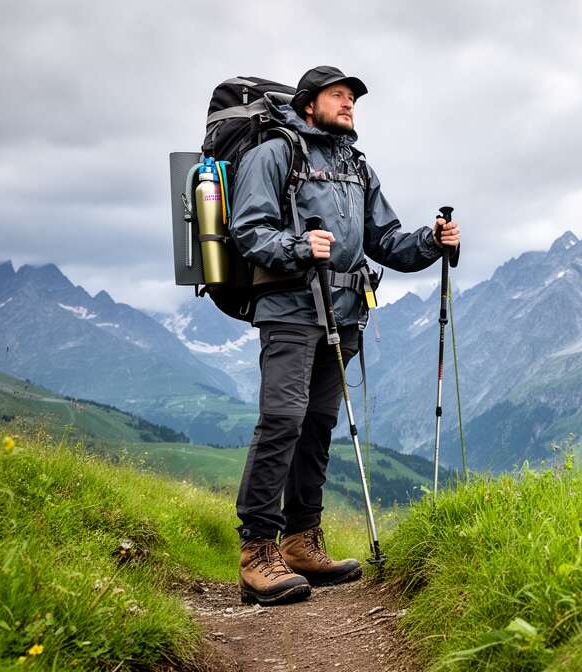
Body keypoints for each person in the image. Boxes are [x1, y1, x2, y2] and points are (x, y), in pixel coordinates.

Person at [229, 65, 460, 606]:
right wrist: (298, 247)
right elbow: (249, 229)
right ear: (309, 103)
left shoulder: (357, 167)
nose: (350, 103)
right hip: (289, 307)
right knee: (283, 418)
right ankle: (257, 550)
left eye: (353, 97)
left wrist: (432, 240)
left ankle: (303, 541)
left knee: (317, 424)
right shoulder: (275, 153)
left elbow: (387, 241)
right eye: (338, 95)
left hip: (347, 313)